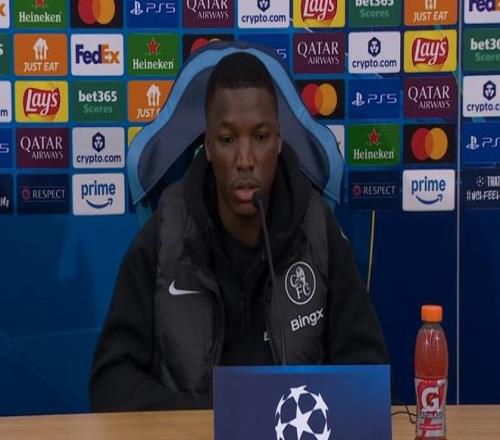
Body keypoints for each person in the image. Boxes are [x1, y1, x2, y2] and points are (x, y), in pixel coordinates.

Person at [89, 52, 389, 412]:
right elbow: (110, 383)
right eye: (228, 139)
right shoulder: (166, 234)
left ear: (278, 140)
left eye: (260, 137)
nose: (245, 160)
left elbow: (368, 378)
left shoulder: (318, 230)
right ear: (208, 146)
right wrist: (213, 419)